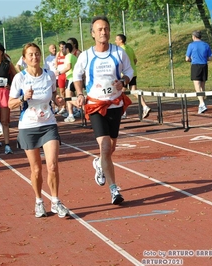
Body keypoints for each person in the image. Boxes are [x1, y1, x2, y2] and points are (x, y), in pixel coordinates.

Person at [73, 15, 134, 205]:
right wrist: (80, 93)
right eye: (99, 29)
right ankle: (114, 189)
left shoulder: (118, 52)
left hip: (115, 104)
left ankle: (99, 164)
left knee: (111, 147)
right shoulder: (86, 55)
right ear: (92, 33)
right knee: (105, 146)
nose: (103, 32)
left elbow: (130, 71)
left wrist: (123, 81)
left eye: (106, 28)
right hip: (96, 106)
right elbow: (77, 75)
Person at [9, 42, 69, 218]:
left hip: (48, 124)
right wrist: (22, 98)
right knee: (36, 170)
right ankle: (38, 201)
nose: (34, 57)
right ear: (24, 58)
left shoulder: (49, 75)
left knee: (52, 165)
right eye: (30, 55)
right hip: (28, 126)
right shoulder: (20, 78)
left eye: (37, 54)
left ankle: (56, 201)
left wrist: (59, 100)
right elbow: (9, 104)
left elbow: (54, 95)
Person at [115, 34, 151, 119]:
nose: (115, 41)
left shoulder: (120, 50)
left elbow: (118, 63)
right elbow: (135, 60)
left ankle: (123, 112)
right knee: (133, 91)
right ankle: (145, 106)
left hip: (124, 75)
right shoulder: (130, 48)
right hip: (133, 73)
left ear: (121, 41)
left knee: (120, 93)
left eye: (116, 40)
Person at [185, 30, 212, 114]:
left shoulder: (191, 45)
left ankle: (202, 103)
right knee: (202, 86)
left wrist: (191, 59)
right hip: (204, 65)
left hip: (196, 66)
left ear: (193, 37)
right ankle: (202, 105)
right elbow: (210, 58)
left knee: (197, 86)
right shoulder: (206, 45)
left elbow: (187, 58)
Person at [56, 42, 78, 122]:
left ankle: (83, 108)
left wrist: (59, 72)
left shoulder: (68, 56)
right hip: (75, 79)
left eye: (64, 48)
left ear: (67, 49)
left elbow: (68, 67)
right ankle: (71, 114)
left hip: (71, 78)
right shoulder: (73, 56)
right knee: (71, 97)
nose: (63, 50)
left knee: (68, 98)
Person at [55, 41, 67, 115]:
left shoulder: (67, 55)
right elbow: (56, 62)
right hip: (60, 75)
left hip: (66, 74)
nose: (62, 48)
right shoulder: (58, 54)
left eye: (63, 47)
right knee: (61, 91)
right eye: (61, 47)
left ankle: (72, 107)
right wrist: (56, 68)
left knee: (68, 91)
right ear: (59, 47)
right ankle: (64, 107)